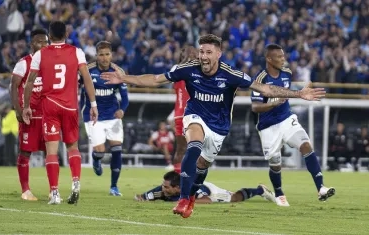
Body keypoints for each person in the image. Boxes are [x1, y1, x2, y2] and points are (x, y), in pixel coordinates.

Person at [101, 34, 325, 218]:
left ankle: (189, 198)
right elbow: (155, 79)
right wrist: (125, 78)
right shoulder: (188, 68)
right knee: (194, 144)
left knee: (202, 166)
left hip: (219, 128)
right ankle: (182, 200)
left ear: (218, 54)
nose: (204, 56)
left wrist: (298, 94)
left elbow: (265, 89)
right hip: (195, 116)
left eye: (208, 52)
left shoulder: (230, 74)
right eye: (201, 52)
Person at [22, 21, 98, 205]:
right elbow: (87, 79)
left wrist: (26, 106)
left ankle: (54, 193)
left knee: (52, 150)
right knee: (73, 147)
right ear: (66, 33)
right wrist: (93, 104)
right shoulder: (76, 52)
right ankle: (76, 182)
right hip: (70, 106)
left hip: (50, 106)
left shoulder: (40, 54)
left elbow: (30, 82)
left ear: (49, 35)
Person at [251, 44, 335, 207]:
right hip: (268, 126)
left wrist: (300, 92)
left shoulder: (287, 73)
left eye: (283, 56)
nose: (284, 59)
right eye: (279, 57)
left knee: (305, 145)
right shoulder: (260, 78)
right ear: (269, 59)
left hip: (286, 119)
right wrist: (274, 103)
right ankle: (279, 193)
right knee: (275, 164)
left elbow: (287, 94)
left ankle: (321, 188)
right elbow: (255, 107)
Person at [79, 40, 128, 196]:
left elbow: (125, 97)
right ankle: (96, 159)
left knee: (117, 148)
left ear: (111, 55)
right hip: (93, 115)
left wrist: (122, 110)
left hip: (112, 114)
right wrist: (79, 110)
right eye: (101, 55)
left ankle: (114, 186)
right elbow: (79, 91)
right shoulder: (87, 70)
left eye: (107, 54)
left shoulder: (118, 72)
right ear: (96, 56)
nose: (105, 58)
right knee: (100, 151)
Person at [10, 28, 48, 201]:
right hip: (29, 115)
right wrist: (18, 110)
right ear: (32, 44)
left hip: (48, 115)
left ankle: (52, 189)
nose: (43, 45)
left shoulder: (50, 64)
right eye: (39, 41)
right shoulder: (24, 63)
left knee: (51, 152)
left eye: (46, 42)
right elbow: (13, 87)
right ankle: (25, 190)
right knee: (25, 152)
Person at [134, 171, 276, 204]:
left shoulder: (190, 191)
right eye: (163, 186)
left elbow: (207, 199)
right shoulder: (163, 190)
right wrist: (141, 197)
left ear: (177, 188)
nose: (162, 189)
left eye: (166, 187)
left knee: (234, 198)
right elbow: (143, 197)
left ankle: (260, 190)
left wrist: (186, 202)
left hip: (210, 192)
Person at [171, 46, 198, 173]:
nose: (192, 56)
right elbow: (173, 81)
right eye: (189, 54)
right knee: (181, 148)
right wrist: (186, 60)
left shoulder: (200, 70)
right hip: (181, 114)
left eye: (193, 54)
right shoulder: (176, 68)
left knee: (195, 150)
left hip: (197, 114)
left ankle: (190, 179)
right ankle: (176, 180)